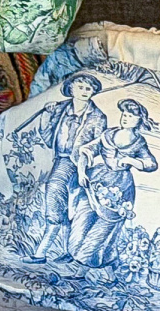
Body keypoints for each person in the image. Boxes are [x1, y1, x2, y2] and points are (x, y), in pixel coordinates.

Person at [11, 75, 108, 261]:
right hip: (59, 160)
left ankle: (44, 253)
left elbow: (99, 145)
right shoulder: (61, 110)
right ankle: (55, 252)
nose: (84, 91)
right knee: (59, 204)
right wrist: (47, 115)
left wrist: (84, 157)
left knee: (66, 203)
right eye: (80, 87)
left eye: (88, 88)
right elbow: (48, 137)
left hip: (80, 164)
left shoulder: (98, 117)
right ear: (71, 89)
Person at [70, 98, 158, 266]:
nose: (125, 118)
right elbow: (86, 150)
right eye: (124, 114)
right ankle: (75, 254)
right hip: (97, 180)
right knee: (82, 219)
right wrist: (81, 172)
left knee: (104, 227)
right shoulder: (108, 135)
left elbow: (151, 164)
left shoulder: (139, 143)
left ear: (139, 120)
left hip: (121, 186)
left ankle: (84, 261)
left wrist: (132, 161)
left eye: (131, 116)